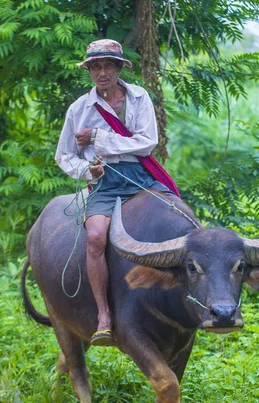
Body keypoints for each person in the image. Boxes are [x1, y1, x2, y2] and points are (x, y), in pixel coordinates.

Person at [55, 39, 178, 346]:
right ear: (89, 71)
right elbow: (64, 155)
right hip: (106, 181)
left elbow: (146, 143)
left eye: (108, 65)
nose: (102, 72)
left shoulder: (139, 97)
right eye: (96, 66)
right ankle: (104, 316)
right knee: (96, 236)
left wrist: (99, 137)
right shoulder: (79, 109)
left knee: (178, 218)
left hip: (140, 175)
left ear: (120, 68)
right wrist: (88, 171)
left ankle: (180, 302)